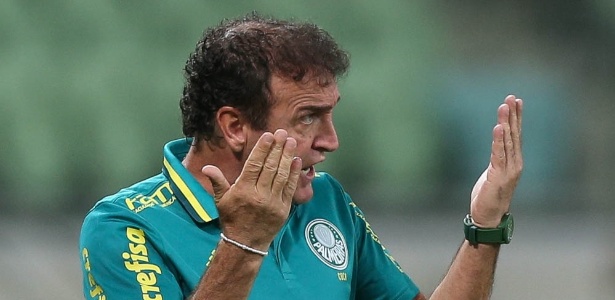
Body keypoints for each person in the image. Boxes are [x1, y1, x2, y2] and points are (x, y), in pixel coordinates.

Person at [79, 13, 523, 300]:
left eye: (330, 115)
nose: (331, 141)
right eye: (308, 117)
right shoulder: (125, 227)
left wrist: (484, 226)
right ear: (235, 126)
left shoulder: (325, 201)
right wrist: (243, 242)